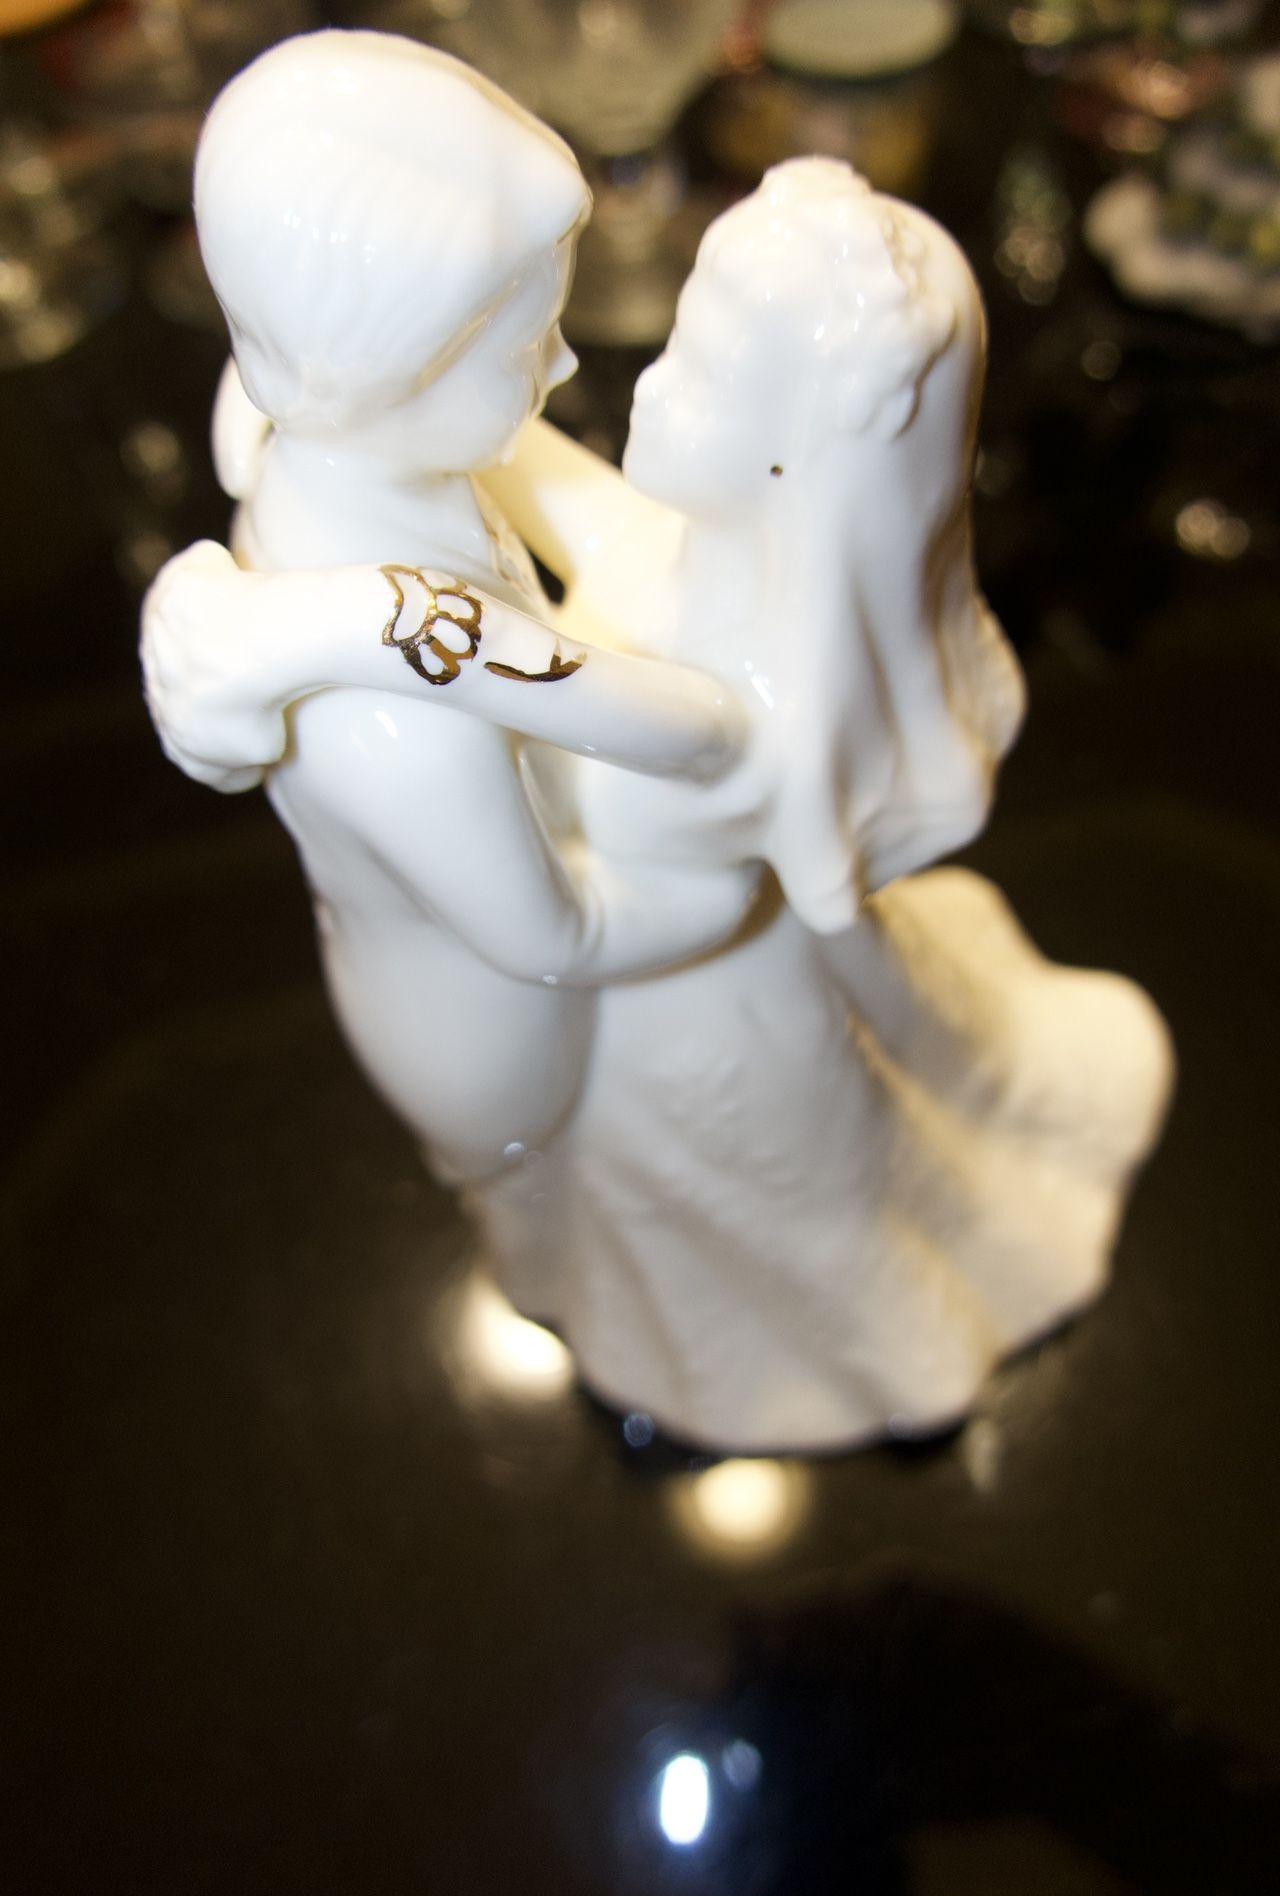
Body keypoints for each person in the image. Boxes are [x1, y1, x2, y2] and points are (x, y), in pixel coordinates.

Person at [148, 158, 1173, 1452]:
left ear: (805, 440)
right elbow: (519, 460)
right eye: (686, 332)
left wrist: (329, 616)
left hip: (685, 1016)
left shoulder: (740, 709)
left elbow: (517, 667)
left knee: (790, 1240)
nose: (646, 381)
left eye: (714, 363)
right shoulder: (685, 545)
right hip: (641, 997)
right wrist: (320, 382)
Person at [147, 31, 756, 1189]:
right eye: (530, 342)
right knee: (577, 1182)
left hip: (532, 886)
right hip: (495, 1041)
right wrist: (732, 900)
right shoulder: (397, 727)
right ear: (393, 370)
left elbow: (595, 514)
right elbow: (559, 931)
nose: (564, 366)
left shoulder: (325, 435)